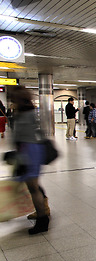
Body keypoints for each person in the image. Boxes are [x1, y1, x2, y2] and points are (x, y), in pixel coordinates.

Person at [11, 86, 51, 234]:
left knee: (33, 188)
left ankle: (42, 219)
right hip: (34, 149)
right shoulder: (31, 112)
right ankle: (43, 214)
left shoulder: (23, 114)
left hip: (28, 151)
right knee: (34, 186)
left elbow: (19, 137)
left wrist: (18, 155)